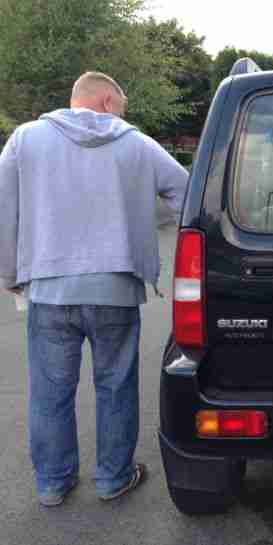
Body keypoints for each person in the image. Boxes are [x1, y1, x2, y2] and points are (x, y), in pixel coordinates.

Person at [0, 72, 189, 506]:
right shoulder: (137, 144)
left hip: (49, 291)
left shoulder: (25, 140)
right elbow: (186, 192)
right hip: (116, 290)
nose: (121, 118)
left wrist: (10, 274)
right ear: (106, 101)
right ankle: (113, 478)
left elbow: (4, 211)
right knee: (115, 386)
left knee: (50, 392)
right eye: (120, 108)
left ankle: (52, 483)